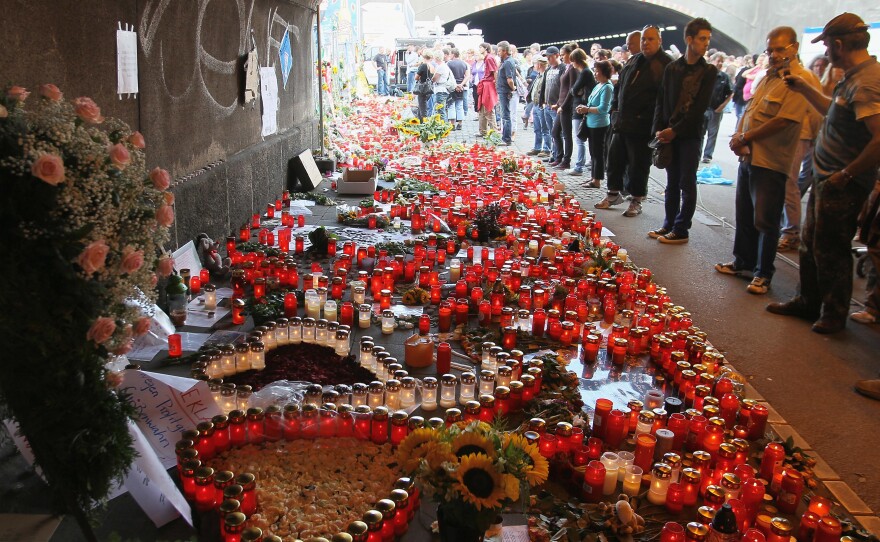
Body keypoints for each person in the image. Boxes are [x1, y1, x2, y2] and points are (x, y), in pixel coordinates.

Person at [766, 12, 880, 333]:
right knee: (812, 242)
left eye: (827, 45)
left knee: (831, 247)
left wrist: (846, 174)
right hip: (827, 177)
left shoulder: (869, 81)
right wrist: (804, 89)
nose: (825, 51)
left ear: (839, 44)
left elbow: (878, 139)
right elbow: (834, 111)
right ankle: (808, 301)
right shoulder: (853, 76)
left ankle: (833, 312)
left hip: (843, 182)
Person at [718, 27, 820, 290]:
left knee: (766, 219)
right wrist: (738, 135)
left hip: (772, 160)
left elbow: (785, 120)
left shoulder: (799, 80)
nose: (773, 55)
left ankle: (763, 273)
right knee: (745, 214)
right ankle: (743, 262)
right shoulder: (766, 77)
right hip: (749, 157)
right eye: (770, 49)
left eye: (779, 49)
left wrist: (746, 137)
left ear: (794, 48)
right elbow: (749, 110)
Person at [648, 18, 717, 241]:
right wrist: (659, 129)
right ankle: (668, 223)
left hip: (690, 135)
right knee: (672, 182)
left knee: (687, 182)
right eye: (702, 38)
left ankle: (681, 229)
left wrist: (674, 131)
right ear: (690, 40)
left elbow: (700, 108)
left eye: (708, 39)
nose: (706, 43)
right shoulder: (672, 68)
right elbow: (661, 100)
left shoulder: (708, 71)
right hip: (669, 133)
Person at [596, 26, 672, 216]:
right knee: (614, 159)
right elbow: (620, 87)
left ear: (659, 41)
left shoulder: (665, 65)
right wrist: (615, 110)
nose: (646, 43)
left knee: (639, 164)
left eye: (650, 39)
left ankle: (636, 200)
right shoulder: (634, 60)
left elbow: (662, 99)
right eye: (644, 39)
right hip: (622, 122)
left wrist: (653, 123)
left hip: (642, 125)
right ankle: (613, 193)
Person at [576, 60, 614, 188]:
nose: (595, 74)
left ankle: (597, 180)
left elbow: (604, 108)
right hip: (591, 123)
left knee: (598, 153)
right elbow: (592, 102)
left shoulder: (607, 87)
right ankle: (593, 177)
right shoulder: (598, 85)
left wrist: (587, 109)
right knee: (593, 152)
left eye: (597, 71)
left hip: (600, 125)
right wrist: (584, 107)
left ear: (604, 72)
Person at [550, 43, 579, 169]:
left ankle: (566, 160)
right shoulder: (568, 67)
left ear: (570, 54)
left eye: (563, 55)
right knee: (555, 132)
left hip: (567, 106)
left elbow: (572, 89)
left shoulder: (573, 69)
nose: (561, 57)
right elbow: (563, 88)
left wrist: (563, 105)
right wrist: (558, 104)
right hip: (561, 105)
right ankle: (559, 157)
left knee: (566, 134)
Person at [566, 49, 594, 176]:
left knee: (579, 138)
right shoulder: (587, 72)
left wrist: (577, 91)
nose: (572, 64)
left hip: (581, 107)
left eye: (572, 61)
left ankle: (579, 166)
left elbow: (574, 90)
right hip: (583, 106)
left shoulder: (585, 72)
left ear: (576, 61)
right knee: (581, 138)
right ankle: (582, 164)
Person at [701, 53, 732, 163]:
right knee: (700, 132)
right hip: (703, 109)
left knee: (712, 134)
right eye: (718, 60)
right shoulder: (704, 74)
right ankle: (697, 153)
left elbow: (730, 93)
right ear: (712, 60)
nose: (720, 63)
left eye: (722, 61)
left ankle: (707, 155)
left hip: (716, 109)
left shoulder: (724, 77)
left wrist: (722, 106)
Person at [526, 55, 552, 157]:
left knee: (544, 128)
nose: (534, 66)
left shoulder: (545, 75)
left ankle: (546, 148)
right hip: (536, 104)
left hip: (541, 104)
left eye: (535, 64)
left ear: (539, 64)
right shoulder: (539, 75)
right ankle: (537, 147)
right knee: (537, 128)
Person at [542, 47, 564, 163]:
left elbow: (564, 89)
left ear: (557, 55)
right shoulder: (548, 69)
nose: (548, 59)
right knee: (552, 132)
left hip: (556, 106)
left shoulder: (562, 68)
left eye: (550, 56)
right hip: (548, 105)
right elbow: (544, 86)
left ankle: (559, 156)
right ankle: (553, 154)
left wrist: (559, 104)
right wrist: (543, 101)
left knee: (557, 133)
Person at [496, 41, 518, 146]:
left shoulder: (508, 62)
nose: (498, 53)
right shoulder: (506, 61)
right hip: (503, 90)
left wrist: (513, 88)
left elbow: (510, 79)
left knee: (505, 115)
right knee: (504, 114)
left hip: (505, 91)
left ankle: (506, 138)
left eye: (499, 50)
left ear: (505, 51)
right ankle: (505, 137)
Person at [476, 43, 499, 137]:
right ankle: (483, 131)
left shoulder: (489, 58)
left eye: (480, 47)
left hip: (488, 85)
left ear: (485, 48)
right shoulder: (487, 58)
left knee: (488, 109)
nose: (479, 49)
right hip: (486, 84)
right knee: (482, 109)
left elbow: (494, 71)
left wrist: (496, 84)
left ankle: (494, 132)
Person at [446, 48, 471, 130]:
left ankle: (452, 124)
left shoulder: (449, 64)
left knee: (451, 105)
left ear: (453, 54)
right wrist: (461, 84)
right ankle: (460, 123)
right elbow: (467, 76)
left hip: (452, 87)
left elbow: (447, 76)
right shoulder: (464, 63)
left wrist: (455, 85)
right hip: (461, 87)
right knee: (459, 105)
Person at [432, 48, 453, 121]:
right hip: (443, 89)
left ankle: (444, 128)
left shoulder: (441, 67)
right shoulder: (443, 65)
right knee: (441, 110)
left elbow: (435, 79)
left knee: (440, 110)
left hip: (441, 90)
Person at [414, 50, 434, 121]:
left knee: (423, 107)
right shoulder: (432, 66)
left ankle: (423, 123)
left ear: (423, 56)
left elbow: (416, 77)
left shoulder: (423, 65)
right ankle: (419, 121)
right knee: (422, 106)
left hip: (422, 88)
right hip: (429, 88)